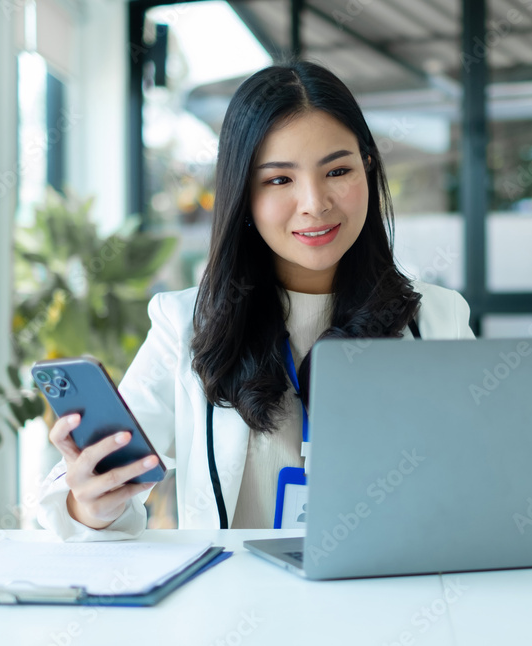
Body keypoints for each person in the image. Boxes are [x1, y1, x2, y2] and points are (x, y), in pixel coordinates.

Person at [36, 60, 474, 541]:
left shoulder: (437, 319)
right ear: (243, 193)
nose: (315, 202)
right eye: (279, 180)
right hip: (234, 609)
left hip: (385, 603)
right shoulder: (186, 326)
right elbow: (98, 506)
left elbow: (480, 481)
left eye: (338, 170)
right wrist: (91, 503)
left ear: (368, 167)